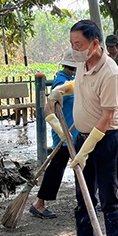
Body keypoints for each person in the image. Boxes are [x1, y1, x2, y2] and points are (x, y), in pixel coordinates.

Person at [45, 20, 118, 236]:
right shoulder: (82, 64)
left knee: (109, 196)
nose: (74, 48)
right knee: (83, 196)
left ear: (94, 44)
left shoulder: (110, 73)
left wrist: (85, 151)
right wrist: (63, 90)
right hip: (82, 137)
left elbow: (107, 118)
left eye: (78, 44)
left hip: (106, 141)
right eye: (71, 44)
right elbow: (78, 84)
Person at [30, 49, 79, 219]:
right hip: (64, 134)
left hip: (75, 131)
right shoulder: (60, 82)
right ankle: (39, 203)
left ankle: (87, 201)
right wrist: (61, 132)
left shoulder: (73, 80)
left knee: (80, 166)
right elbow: (48, 109)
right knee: (57, 167)